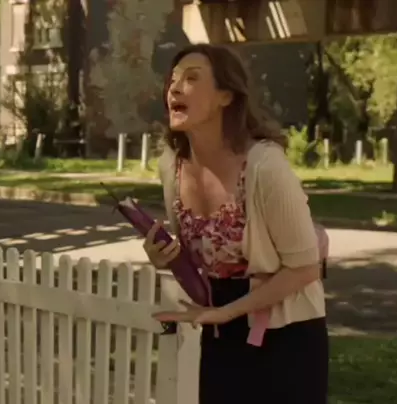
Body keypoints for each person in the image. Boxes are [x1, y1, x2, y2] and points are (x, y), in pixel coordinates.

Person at [145, 44, 328, 404]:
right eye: (173, 80)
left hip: (286, 336)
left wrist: (227, 313)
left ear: (225, 96)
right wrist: (163, 256)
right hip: (218, 330)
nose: (174, 88)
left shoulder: (264, 166)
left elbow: (305, 268)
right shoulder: (172, 166)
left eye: (192, 79)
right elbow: (202, 256)